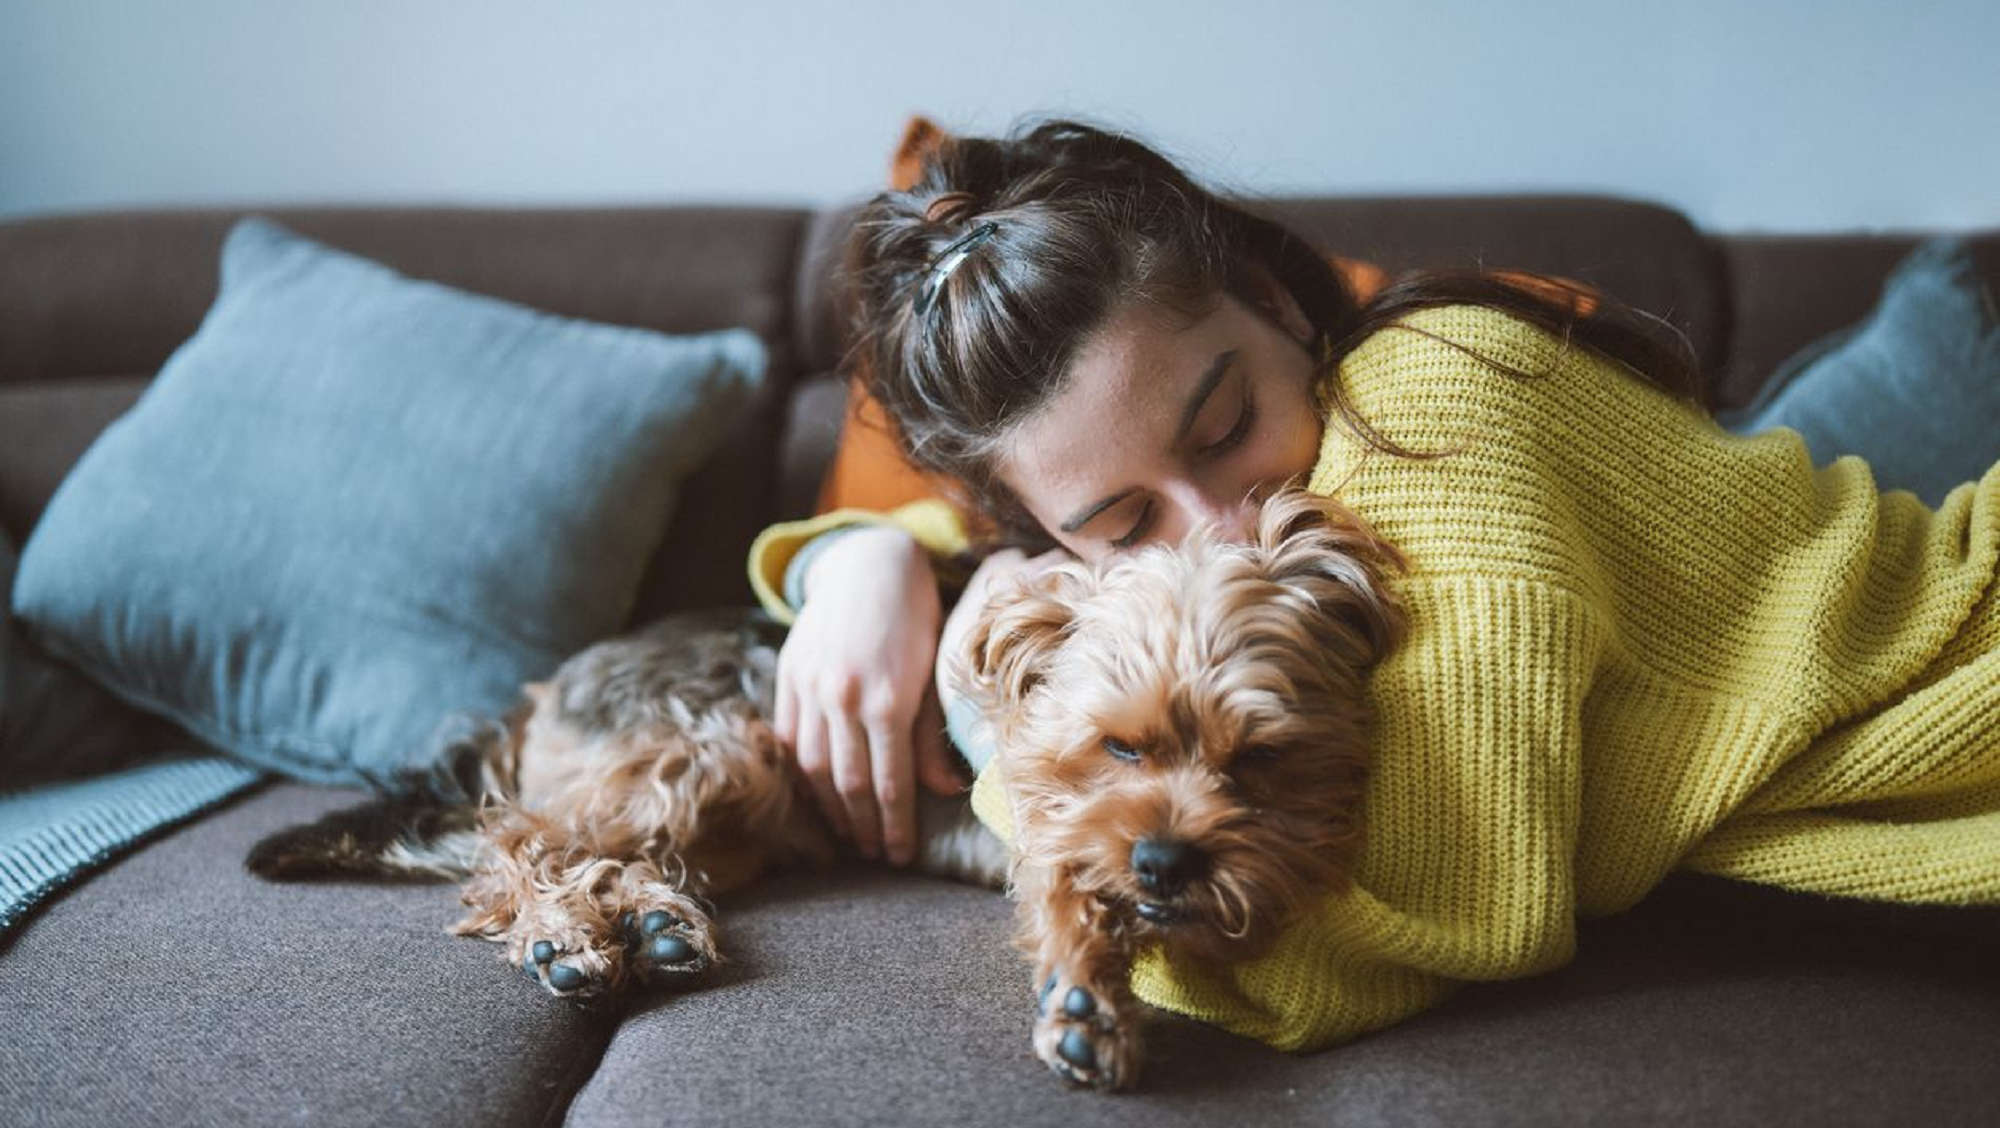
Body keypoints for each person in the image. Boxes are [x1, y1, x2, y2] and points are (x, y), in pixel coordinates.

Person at [745, 118, 1999, 1049]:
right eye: (1126, 523)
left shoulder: (1433, 402)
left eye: (1224, 425)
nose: (1222, 536)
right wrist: (868, 554)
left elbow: (1357, 954)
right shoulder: (1243, 511)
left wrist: (996, 731)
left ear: (1279, 305)